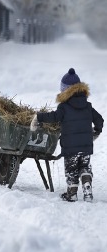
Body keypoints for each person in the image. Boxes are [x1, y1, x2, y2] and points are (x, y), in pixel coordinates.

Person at [30, 68, 104, 202]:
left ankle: (72, 194)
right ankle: (87, 185)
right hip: (86, 146)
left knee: (71, 170)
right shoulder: (88, 106)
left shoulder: (64, 107)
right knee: (84, 166)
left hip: (70, 148)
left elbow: (53, 117)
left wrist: (39, 117)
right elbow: (99, 119)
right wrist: (96, 131)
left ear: (65, 90)